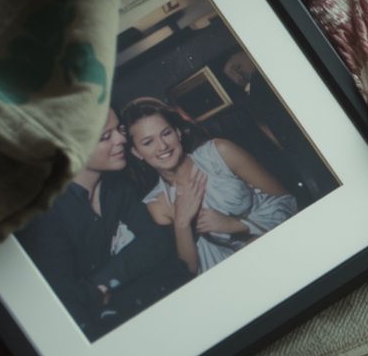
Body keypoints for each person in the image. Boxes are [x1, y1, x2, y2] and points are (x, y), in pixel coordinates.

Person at [13, 108, 179, 339]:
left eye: (119, 129)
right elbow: (64, 301)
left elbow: (157, 242)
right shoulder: (44, 213)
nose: (122, 139)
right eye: (105, 137)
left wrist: (98, 285)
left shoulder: (117, 188)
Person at [120, 97, 298, 276]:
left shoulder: (220, 152)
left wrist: (238, 225)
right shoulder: (156, 205)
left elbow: (287, 201)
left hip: (284, 248)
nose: (162, 146)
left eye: (166, 133)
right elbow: (189, 272)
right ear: (137, 152)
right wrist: (182, 223)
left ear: (178, 133)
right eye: (148, 142)